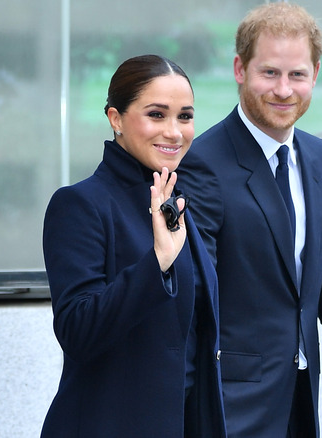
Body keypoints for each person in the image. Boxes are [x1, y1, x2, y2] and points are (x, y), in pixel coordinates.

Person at [179, 4, 322, 437]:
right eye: (270, 73)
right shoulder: (203, 164)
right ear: (239, 69)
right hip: (229, 407)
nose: (284, 90)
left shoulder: (318, 157)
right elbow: (193, 299)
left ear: (316, 75)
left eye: (297, 75)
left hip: (301, 399)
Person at [41, 54, 226, 438]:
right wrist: (157, 262)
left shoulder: (177, 201)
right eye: (157, 115)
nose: (174, 132)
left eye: (185, 116)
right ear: (116, 119)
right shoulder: (80, 204)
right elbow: (78, 331)